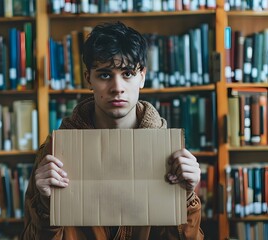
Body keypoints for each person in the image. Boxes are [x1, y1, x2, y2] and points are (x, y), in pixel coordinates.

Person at [21, 21, 204, 240]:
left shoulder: (170, 152)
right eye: (105, 75)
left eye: (127, 73)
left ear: (142, 77)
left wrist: (186, 199)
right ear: (88, 78)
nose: (117, 87)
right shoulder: (54, 153)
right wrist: (45, 205)